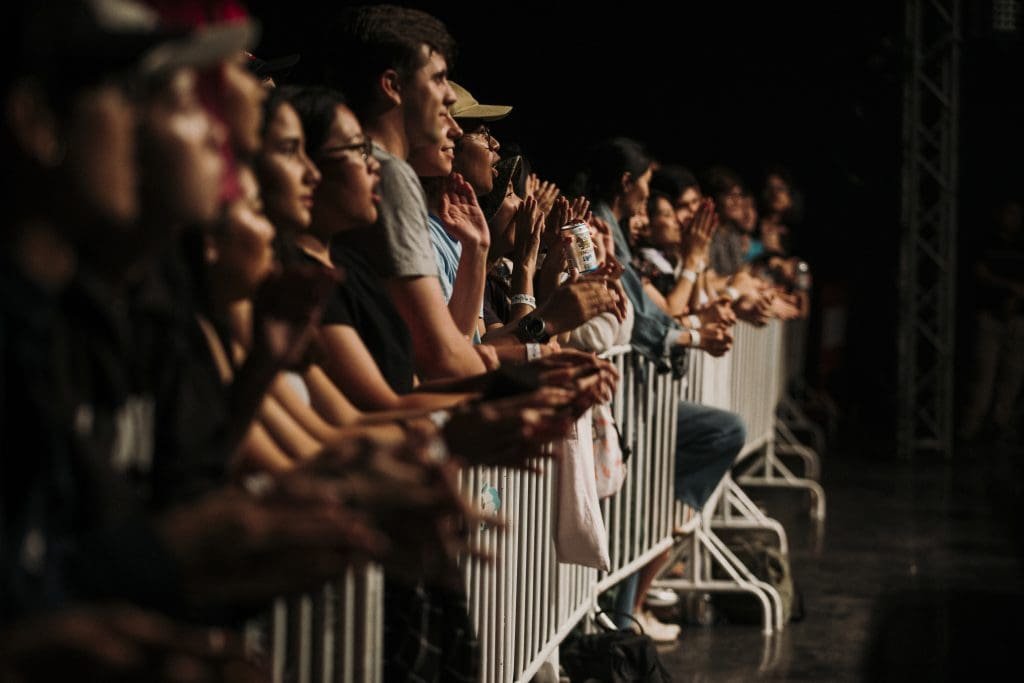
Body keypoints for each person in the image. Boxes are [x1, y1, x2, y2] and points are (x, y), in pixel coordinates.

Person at [317, 5, 492, 380]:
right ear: (393, 86)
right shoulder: (389, 174)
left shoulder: (376, 170)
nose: (449, 98)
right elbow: (439, 355)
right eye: (439, 79)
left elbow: (447, 340)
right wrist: (529, 366)